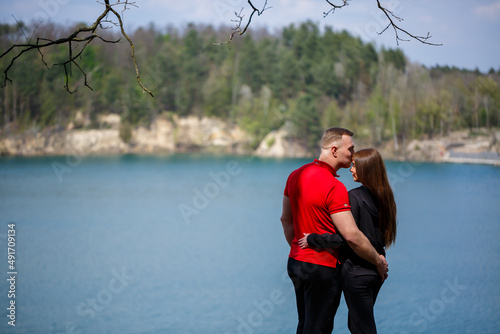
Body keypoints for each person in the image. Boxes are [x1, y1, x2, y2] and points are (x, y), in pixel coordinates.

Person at [280, 128, 388, 334]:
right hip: (323, 268)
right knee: (318, 329)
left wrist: (299, 252)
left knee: (304, 325)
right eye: (351, 149)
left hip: (296, 262)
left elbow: (285, 220)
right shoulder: (334, 186)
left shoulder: (294, 175)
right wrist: (377, 260)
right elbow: (351, 235)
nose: (353, 154)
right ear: (335, 149)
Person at [299, 148, 397, 334]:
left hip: (356, 273)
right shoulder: (386, 198)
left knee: (362, 328)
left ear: (366, 169)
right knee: (356, 324)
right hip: (375, 273)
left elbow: (346, 238)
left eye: (354, 166)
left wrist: (312, 239)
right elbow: (378, 238)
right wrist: (380, 260)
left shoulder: (354, 197)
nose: (351, 170)